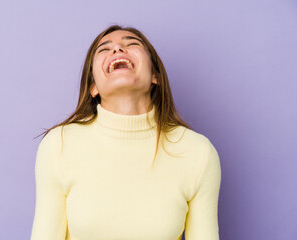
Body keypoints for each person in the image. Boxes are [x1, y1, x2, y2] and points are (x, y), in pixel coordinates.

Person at [30, 24, 222, 240]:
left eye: (132, 44)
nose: (117, 49)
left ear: (155, 76)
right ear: (93, 87)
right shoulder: (59, 145)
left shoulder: (198, 153)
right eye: (104, 49)